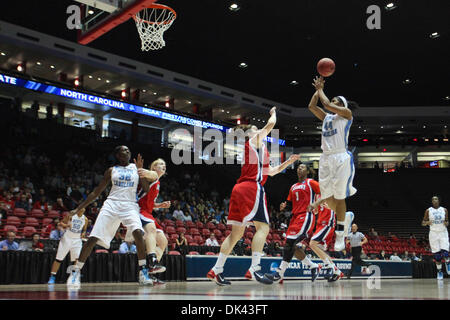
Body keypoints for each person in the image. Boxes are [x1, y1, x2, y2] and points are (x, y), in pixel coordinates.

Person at [207, 107, 300, 286]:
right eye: (255, 129)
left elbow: (271, 172)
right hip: (251, 188)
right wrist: (273, 113)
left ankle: (216, 269)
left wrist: (287, 163)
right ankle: (254, 268)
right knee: (263, 228)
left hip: (239, 189)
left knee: (235, 235)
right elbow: (271, 124)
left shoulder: (259, 149)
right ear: (250, 134)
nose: (258, 129)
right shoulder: (253, 141)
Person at [66, 147, 158, 288]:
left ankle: (143, 271)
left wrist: (141, 172)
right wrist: (79, 208)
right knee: (93, 238)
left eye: (128, 150)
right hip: (111, 204)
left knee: (138, 233)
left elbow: (146, 189)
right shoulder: (111, 170)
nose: (127, 152)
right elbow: (96, 192)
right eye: (124, 151)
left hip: (130, 205)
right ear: (117, 155)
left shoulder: (135, 168)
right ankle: (76, 271)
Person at [309, 76, 358, 252]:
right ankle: (346, 218)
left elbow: (328, 104)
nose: (333, 102)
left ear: (342, 105)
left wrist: (322, 89)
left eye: (337, 100)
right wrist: (317, 90)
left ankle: (340, 233)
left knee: (339, 197)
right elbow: (312, 107)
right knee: (329, 202)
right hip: (326, 158)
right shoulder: (327, 118)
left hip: (340, 157)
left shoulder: (347, 115)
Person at [266, 164, 324, 283]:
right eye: (298, 167)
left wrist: (315, 204)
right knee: (291, 247)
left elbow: (325, 194)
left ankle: (279, 273)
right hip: (295, 217)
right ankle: (313, 266)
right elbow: (289, 203)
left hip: (306, 216)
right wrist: (284, 206)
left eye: (303, 167)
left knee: (289, 244)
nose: (299, 169)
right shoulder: (293, 186)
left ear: (307, 171)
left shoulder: (311, 182)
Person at [125, 158, 170, 284]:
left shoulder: (158, 182)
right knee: (151, 230)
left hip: (148, 211)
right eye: (160, 164)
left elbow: (149, 201)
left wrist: (159, 205)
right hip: (139, 210)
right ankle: (152, 259)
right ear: (154, 167)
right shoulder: (153, 175)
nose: (163, 165)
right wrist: (142, 170)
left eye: (164, 164)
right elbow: (147, 173)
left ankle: (150, 270)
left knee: (163, 242)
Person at [48, 208, 88, 284]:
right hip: (67, 238)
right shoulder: (71, 215)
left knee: (76, 259)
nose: (83, 209)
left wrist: (83, 233)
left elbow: (84, 229)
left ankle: (73, 277)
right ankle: (52, 276)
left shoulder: (85, 219)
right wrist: (66, 225)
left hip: (77, 240)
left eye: (84, 208)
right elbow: (60, 224)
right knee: (59, 259)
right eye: (82, 207)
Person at [422, 195, 449, 280]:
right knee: (437, 256)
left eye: (436, 199)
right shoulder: (428, 210)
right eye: (433, 199)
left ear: (439, 201)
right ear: (432, 202)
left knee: (445, 252)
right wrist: (427, 223)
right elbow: (423, 222)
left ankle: (448, 263)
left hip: (443, 232)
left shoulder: (444, 210)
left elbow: (447, 221)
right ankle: (439, 272)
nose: (435, 200)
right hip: (433, 233)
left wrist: (446, 223)